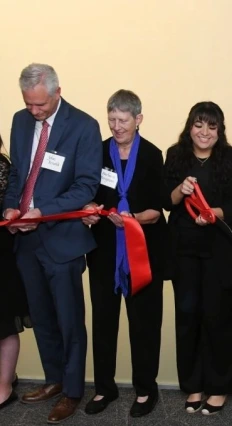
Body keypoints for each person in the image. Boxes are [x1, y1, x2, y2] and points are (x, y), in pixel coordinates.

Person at [3, 63, 102, 423]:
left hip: (62, 240)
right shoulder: (19, 120)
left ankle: (73, 390)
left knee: (69, 319)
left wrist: (42, 211)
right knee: (41, 316)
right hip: (26, 241)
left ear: (57, 92)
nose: (34, 111)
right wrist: (13, 206)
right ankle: (54, 379)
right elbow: (17, 174)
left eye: (40, 105)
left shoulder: (84, 126)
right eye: (28, 104)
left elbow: (85, 186)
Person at [81, 90, 165, 417]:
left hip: (142, 252)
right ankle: (105, 388)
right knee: (103, 321)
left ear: (138, 119)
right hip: (104, 251)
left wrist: (132, 219)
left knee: (143, 324)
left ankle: (146, 389)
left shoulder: (153, 155)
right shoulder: (98, 152)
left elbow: (157, 210)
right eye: (111, 119)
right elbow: (87, 194)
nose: (116, 127)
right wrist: (88, 208)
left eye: (123, 120)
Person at [164, 101, 232, 415]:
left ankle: (219, 387)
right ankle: (194, 386)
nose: (204, 132)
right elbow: (165, 201)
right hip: (184, 249)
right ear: (190, 126)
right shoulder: (175, 154)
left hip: (220, 250)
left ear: (219, 130)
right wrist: (180, 191)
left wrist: (215, 214)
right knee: (187, 318)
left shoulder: (231, 157)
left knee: (219, 318)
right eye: (199, 125)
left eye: (212, 126)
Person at [0, 133, 31, 411]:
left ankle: (4, 386)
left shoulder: (2, 167)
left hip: (1, 254)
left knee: (5, 321)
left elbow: (9, 206)